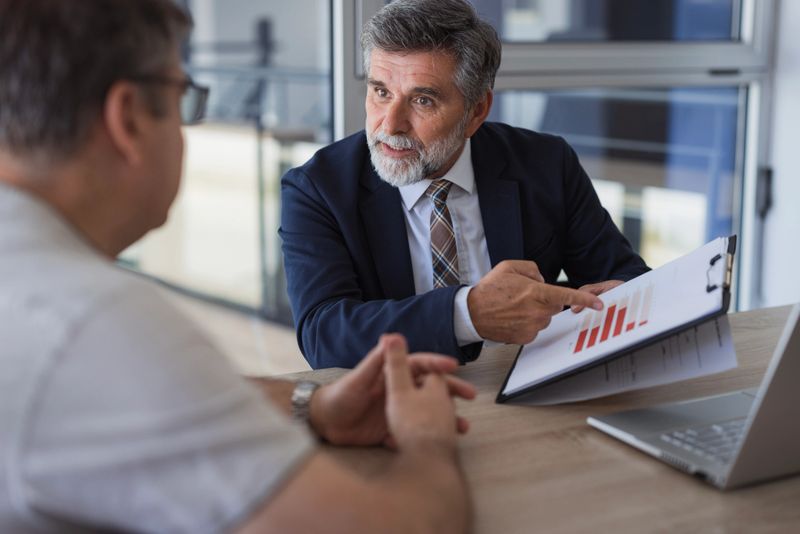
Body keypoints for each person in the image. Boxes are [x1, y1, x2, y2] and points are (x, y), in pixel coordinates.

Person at [0, 1, 475, 532]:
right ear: (129, 118)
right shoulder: (89, 322)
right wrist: (428, 441)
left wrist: (312, 405)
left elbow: (163, 396)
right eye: (186, 98)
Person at [280, 0, 650, 369]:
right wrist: (469, 314)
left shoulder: (546, 163)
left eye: (422, 100)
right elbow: (323, 336)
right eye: (381, 92)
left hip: (529, 388)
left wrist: (617, 298)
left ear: (476, 111)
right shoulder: (316, 189)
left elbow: (625, 276)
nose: (390, 125)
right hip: (393, 404)